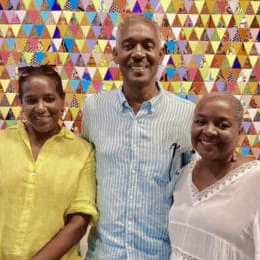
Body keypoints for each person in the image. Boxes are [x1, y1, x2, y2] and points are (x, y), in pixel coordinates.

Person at [82, 15, 195, 259]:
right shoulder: (93, 109)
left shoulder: (187, 115)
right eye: (129, 45)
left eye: (147, 45)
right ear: (115, 53)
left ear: (161, 52)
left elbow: (194, 188)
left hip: (161, 254)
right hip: (103, 254)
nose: (138, 53)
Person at [0, 65, 98, 260]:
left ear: (62, 101)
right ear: (21, 103)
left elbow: (79, 220)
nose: (41, 107)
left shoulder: (83, 152)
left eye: (49, 99)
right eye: (31, 100)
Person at [169, 92, 260, 259]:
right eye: (201, 122)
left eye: (222, 125)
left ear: (239, 132)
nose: (209, 131)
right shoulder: (183, 174)